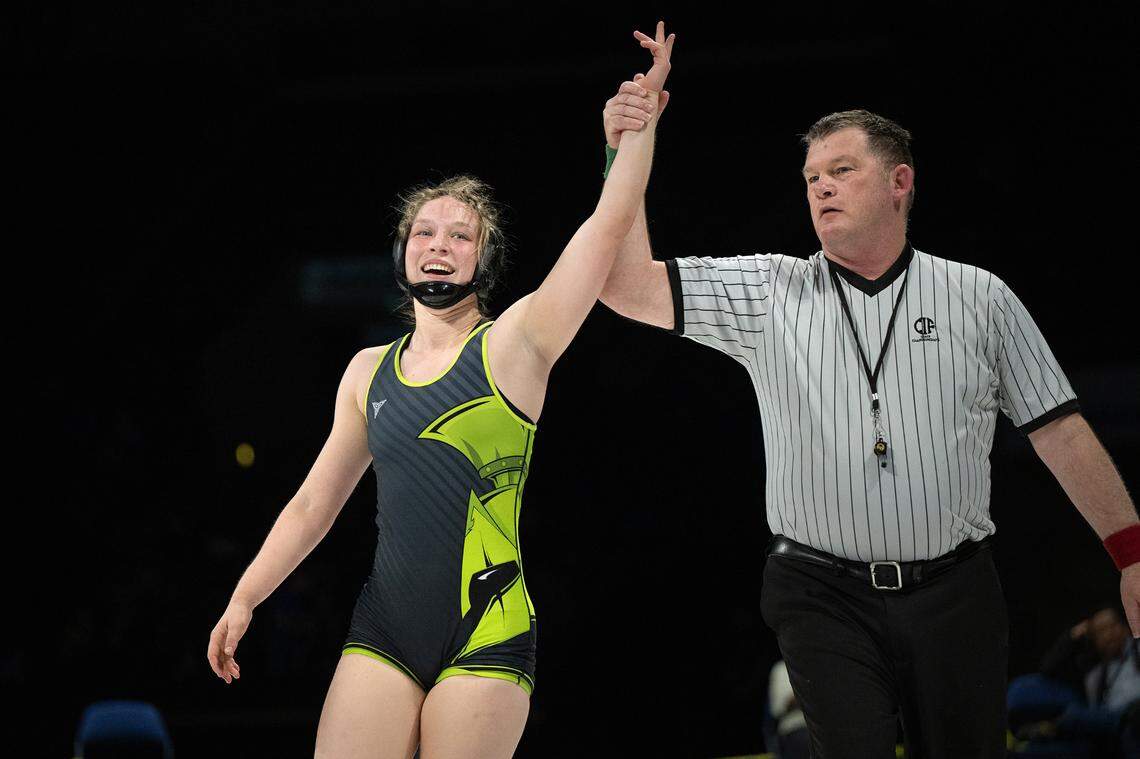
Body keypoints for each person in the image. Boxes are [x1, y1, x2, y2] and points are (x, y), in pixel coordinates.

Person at [597, 95, 1140, 758]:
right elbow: (624, 284)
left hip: (956, 592)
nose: (821, 185)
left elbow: (1059, 430)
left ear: (899, 182)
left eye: (843, 169)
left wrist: (1133, 554)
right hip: (821, 593)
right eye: (811, 177)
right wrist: (626, 150)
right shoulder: (771, 290)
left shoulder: (980, 297)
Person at [206, 23, 674, 758]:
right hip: (383, 631)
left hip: (488, 631)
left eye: (460, 235)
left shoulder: (517, 342)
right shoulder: (367, 371)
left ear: (486, 259)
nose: (439, 244)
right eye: (425, 231)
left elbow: (608, 228)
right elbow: (312, 504)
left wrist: (630, 135)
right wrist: (245, 594)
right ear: (402, 251)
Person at [1011, 606, 1140, 758]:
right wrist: (1073, 635)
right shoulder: (1095, 675)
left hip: (1135, 715)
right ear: (1094, 640)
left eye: (1112, 626)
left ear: (1125, 627)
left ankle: (1050, 728)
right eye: (1101, 631)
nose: (1109, 634)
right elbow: (1048, 669)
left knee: (1073, 716)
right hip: (1109, 729)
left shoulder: (1137, 651)